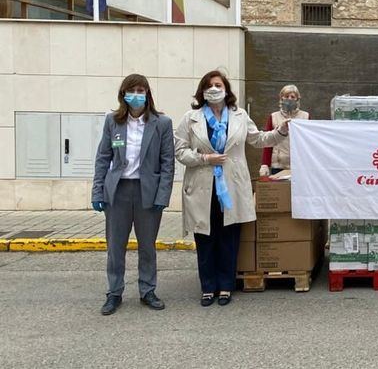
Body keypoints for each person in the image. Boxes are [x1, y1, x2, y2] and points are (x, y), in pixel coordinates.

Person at [174, 70, 286, 307]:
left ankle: (226, 286)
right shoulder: (191, 118)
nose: (214, 89)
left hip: (231, 186)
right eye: (209, 85)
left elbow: (257, 140)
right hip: (202, 184)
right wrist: (205, 159)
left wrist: (280, 132)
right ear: (202, 91)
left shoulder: (239, 115)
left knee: (228, 238)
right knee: (205, 237)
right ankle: (207, 287)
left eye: (218, 85)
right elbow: (180, 151)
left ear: (226, 89)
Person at [91, 74, 175, 315]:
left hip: (146, 192)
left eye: (141, 90)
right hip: (117, 192)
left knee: (147, 245)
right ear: (123, 94)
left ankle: (147, 289)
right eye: (132, 90)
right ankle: (114, 292)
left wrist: (162, 196)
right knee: (115, 246)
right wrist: (97, 191)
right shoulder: (113, 122)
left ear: (148, 94)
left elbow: (167, 163)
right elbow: (103, 158)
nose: (137, 95)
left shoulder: (162, 123)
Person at [259, 84, 310, 177]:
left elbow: (309, 143)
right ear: (281, 98)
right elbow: (268, 142)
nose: (289, 99)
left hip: (299, 165)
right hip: (278, 165)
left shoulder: (305, 117)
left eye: (292, 97)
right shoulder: (273, 117)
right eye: (286, 96)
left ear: (297, 99)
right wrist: (265, 164)